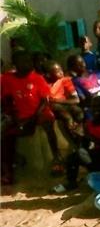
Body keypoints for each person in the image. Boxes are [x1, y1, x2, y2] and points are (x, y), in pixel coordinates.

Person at [1, 50, 64, 183]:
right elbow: (6, 99)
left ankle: (56, 159)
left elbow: (44, 101)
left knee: (48, 126)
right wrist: (13, 115)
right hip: (19, 116)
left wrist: (31, 119)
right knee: (5, 135)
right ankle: (8, 171)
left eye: (29, 60)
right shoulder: (7, 78)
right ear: (15, 64)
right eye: (24, 61)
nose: (29, 63)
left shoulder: (37, 78)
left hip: (39, 114)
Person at [54, 92, 100, 193]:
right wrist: (77, 136)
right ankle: (71, 182)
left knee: (83, 154)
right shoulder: (89, 124)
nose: (97, 110)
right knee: (73, 157)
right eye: (94, 107)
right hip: (96, 158)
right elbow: (84, 145)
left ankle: (99, 176)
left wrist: (89, 137)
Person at [44, 60, 84, 143]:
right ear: (48, 74)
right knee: (67, 117)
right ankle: (74, 137)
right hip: (54, 107)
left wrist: (56, 100)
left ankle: (79, 133)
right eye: (57, 71)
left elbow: (76, 100)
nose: (61, 72)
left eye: (61, 69)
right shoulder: (44, 83)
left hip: (62, 103)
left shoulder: (65, 80)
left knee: (79, 112)